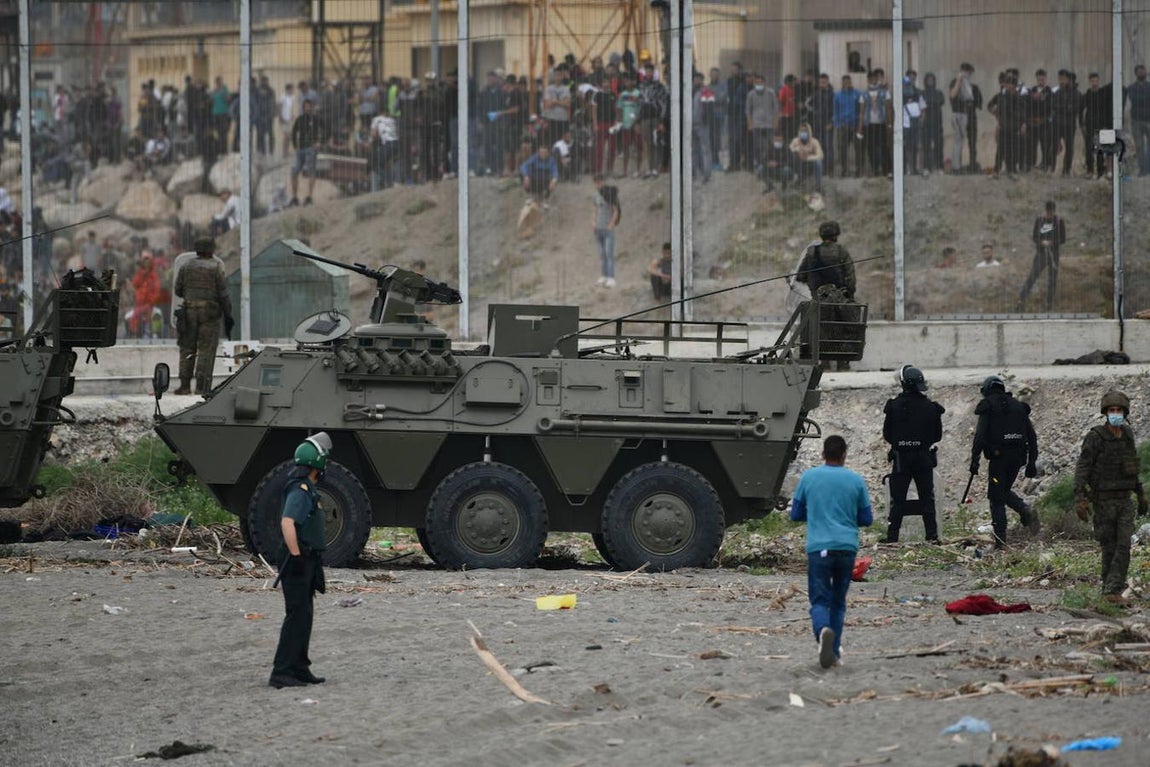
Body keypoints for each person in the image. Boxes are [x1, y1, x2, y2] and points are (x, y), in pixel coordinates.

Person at [790, 435, 873, 669]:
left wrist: (817, 513)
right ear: (844, 454)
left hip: (819, 548)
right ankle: (834, 652)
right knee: (838, 602)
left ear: (823, 454)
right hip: (846, 548)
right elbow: (866, 519)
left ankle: (822, 632)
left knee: (819, 600)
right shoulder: (855, 480)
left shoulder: (809, 477)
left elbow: (795, 514)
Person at [1073, 391, 1148, 604]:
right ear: (1105, 413)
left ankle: (1113, 589)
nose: (1115, 414)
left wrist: (1140, 494)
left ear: (1125, 412)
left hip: (1124, 499)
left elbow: (1131, 465)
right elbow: (1083, 467)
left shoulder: (1127, 435)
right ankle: (1108, 589)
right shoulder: (1096, 437)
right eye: (1111, 410)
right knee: (1109, 546)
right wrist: (1080, 497)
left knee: (1124, 544)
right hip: (1103, 501)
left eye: (1119, 410)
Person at [270, 432, 332, 688]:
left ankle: (299, 667)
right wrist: (296, 555)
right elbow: (287, 522)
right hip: (297, 559)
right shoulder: (301, 489)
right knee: (296, 615)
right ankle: (281, 672)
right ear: (317, 464)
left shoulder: (305, 487)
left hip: (306, 558)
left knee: (304, 615)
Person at [970, 375, 1040, 548]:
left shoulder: (988, 406)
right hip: (1017, 459)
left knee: (996, 497)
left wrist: (975, 460)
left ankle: (1000, 541)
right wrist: (1031, 463)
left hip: (998, 459)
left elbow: (979, 436)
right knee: (1002, 490)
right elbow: (1032, 437)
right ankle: (1026, 510)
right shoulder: (1018, 406)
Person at [880, 365, 944, 544]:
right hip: (923, 458)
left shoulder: (894, 406)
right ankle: (932, 536)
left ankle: (892, 537)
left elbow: (887, 435)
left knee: (897, 499)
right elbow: (937, 436)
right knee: (927, 497)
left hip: (902, 459)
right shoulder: (931, 407)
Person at [173, 238, 233, 395]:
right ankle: (202, 387)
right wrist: (228, 314)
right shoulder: (216, 267)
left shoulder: (186, 266)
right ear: (211, 250)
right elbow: (223, 294)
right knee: (206, 351)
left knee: (187, 348)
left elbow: (178, 290)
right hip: (210, 315)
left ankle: (184, 385)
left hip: (188, 313)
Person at [1018, 200, 1067, 311]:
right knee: (1032, 276)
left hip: (1053, 254)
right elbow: (1035, 236)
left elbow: (1063, 239)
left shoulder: (1059, 221)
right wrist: (1041, 242)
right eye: (1048, 212)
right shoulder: (1040, 220)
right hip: (1041, 253)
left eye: (1051, 212)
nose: (1049, 214)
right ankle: (1021, 300)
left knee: (1052, 280)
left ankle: (1049, 304)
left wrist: (1052, 242)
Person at [794, 221, 854, 301]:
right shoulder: (841, 251)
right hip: (839, 299)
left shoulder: (812, 251)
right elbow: (851, 278)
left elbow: (800, 276)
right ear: (835, 235)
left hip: (818, 301)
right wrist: (850, 295)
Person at [290, 98, 326, 206]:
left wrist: (320, 142)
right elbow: (293, 132)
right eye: (306, 106)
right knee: (294, 172)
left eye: (310, 106)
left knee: (311, 171)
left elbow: (326, 130)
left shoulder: (316, 119)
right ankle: (295, 197)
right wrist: (295, 146)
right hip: (300, 148)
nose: (308, 108)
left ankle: (309, 196)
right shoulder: (300, 119)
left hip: (311, 148)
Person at [948, 63, 982, 173]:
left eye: (970, 73)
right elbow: (952, 95)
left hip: (970, 116)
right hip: (959, 115)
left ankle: (972, 165)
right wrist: (959, 81)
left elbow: (978, 102)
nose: (968, 74)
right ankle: (956, 167)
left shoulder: (973, 87)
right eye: (967, 72)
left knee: (971, 142)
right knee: (958, 141)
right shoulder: (955, 82)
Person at [591, 174, 621, 288]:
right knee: (602, 254)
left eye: (599, 182)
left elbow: (616, 210)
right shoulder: (595, 196)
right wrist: (593, 221)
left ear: (603, 181)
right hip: (598, 228)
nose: (598, 184)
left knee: (609, 253)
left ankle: (611, 277)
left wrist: (612, 224)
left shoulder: (610, 193)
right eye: (596, 182)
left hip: (608, 229)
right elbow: (594, 209)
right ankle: (603, 276)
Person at [1126, 64, 1150, 176]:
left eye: (1143, 71)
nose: (1142, 73)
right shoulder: (1131, 88)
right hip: (1136, 121)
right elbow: (1132, 101)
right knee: (1139, 146)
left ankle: (1148, 167)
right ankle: (1143, 169)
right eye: (1140, 72)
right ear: (1136, 74)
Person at [789, 122, 824, 192]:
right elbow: (789, 150)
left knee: (818, 162)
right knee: (792, 156)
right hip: (798, 164)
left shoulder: (814, 141)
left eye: (805, 131)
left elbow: (820, 155)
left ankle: (818, 186)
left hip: (809, 164)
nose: (803, 132)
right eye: (802, 131)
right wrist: (797, 150)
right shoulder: (795, 141)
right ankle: (798, 180)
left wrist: (808, 157)